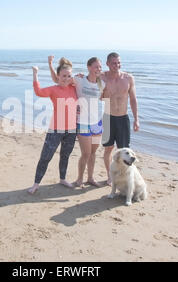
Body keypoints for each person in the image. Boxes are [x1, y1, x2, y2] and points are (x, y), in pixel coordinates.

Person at [49, 56, 105, 188]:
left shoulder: (102, 83)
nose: (99, 69)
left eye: (100, 67)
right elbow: (58, 80)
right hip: (83, 123)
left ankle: (90, 178)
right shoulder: (79, 80)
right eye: (96, 66)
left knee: (93, 153)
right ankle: (80, 179)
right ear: (89, 67)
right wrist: (50, 65)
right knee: (85, 153)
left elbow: (102, 98)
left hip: (97, 124)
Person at [28, 59, 78, 195]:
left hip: (72, 130)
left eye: (69, 76)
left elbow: (84, 82)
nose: (66, 79)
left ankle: (62, 179)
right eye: (63, 76)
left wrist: (73, 78)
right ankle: (36, 184)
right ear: (58, 76)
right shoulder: (53, 89)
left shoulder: (74, 88)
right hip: (56, 129)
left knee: (65, 155)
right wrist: (35, 74)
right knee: (46, 157)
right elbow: (38, 91)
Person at [101, 52, 140, 186]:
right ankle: (110, 176)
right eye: (113, 63)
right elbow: (87, 84)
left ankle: (124, 176)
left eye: (118, 62)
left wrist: (136, 119)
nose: (116, 65)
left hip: (123, 118)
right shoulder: (102, 77)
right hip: (108, 117)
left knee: (124, 150)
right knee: (108, 149)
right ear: (107, 64)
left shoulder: (128, 78)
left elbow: (133, 99)